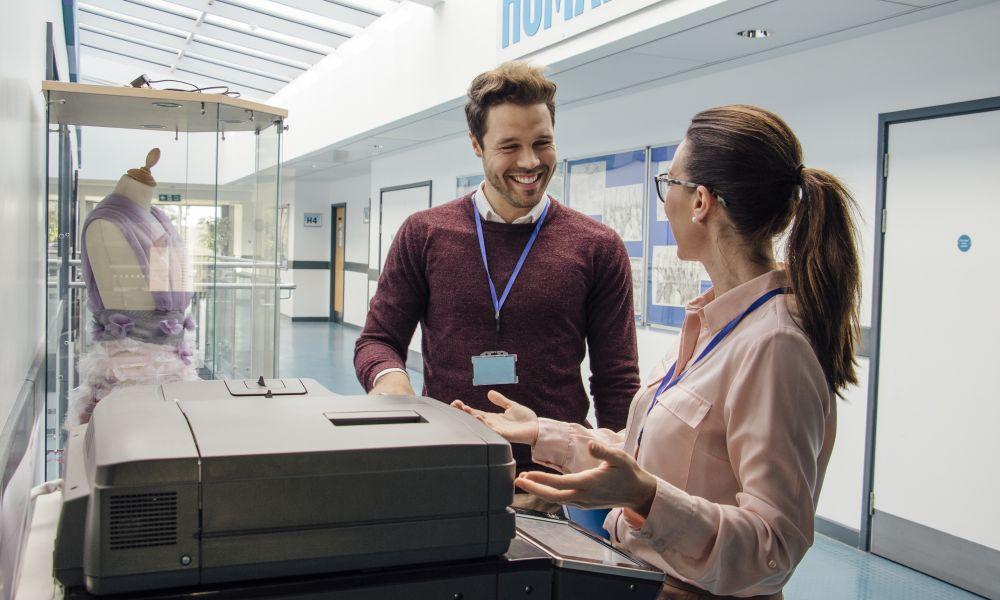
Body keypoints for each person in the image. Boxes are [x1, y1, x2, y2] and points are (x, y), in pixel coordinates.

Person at [453, 104, 861, 599]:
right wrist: (544, 432)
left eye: (671, 182)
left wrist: (646, 497)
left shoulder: (775, 346)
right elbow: (650, 454)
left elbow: (773, 548)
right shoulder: (713, 324)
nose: (665, 200)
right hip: (641, 578)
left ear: (701, 202)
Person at [354, 61, 641, 510]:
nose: (530, 162)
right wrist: (390, 382)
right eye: (510, 146)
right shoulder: (425, 233)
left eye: (542, 143)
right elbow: (377, 340)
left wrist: (617, 485)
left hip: (558, 489)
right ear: (476, 144)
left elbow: (617, 381)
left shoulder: (596, 246)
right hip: (448, 471)